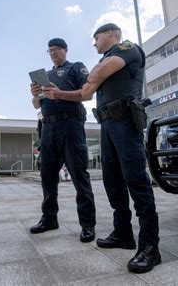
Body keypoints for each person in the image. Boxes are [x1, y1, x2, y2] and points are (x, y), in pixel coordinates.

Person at [81, 23, 160, 274]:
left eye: (96, 38)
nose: (94, 43)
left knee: (137, 181)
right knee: (112, 181)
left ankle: (150, 246)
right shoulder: (107, 59)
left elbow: (94, 77)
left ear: (110, 34)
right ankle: (123, 234)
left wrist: (95, 72)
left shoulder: (127, 49)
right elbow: (86, 90)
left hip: (125, 122)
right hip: (107, 125)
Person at [29, 37, 96, 243]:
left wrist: (59, 94)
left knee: (78, 174)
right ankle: (49, 219)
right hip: (48, 128)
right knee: (47, 177)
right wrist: (35, 94)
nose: (53, 53)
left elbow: (87, 95)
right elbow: (36, 105)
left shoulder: (76, 68)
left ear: (65, 50)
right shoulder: (46, 75)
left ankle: (87, 224)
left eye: (57, 49)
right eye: (50, 51)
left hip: (70, 125)